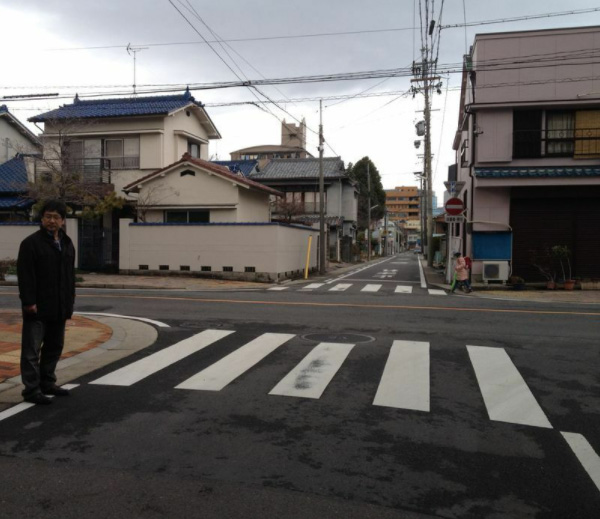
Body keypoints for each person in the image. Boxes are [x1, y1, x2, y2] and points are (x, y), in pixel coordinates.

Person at [17, 200, 76, 405]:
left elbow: (70, 276)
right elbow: (25, 276)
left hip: (59, 306)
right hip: (37, 307)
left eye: (56, 217)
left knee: (54, 346)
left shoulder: (67, 243)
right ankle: (31, 390)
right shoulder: (31, 243)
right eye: (48, 216)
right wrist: (29, 302)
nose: (52, 221)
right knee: (31, 351)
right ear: (41, 219)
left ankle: (47, 382)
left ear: (62, 221)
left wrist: (69, 302)